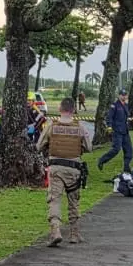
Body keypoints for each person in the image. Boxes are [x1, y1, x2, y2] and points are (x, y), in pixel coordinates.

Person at [38, 97, 93, 246]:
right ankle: (74, 234)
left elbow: (39, 145)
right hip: (74, 168)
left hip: (55, 167)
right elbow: (89, 147)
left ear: (60, 109)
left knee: (54, 199)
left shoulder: (51, 125)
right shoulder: (80, 127)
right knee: (74, 200)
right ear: (73, 110)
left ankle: (55, 230)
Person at [98, 89, 133, 173]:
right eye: (122, 95)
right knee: (116, 149)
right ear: (119, 95)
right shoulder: (114, 106)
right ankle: (102, 160)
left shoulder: (126, 105)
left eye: (125, 95)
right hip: (117, 131)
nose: (124, 96)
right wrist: (109, 127)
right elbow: (109, 117)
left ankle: (126, 167)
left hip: (125, 131)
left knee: (129, 151)